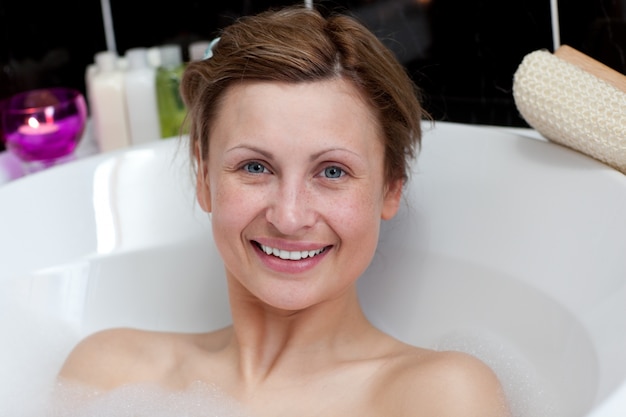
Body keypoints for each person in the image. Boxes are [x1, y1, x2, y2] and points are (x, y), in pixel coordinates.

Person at [57, 5, 511, 416]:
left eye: (332, 172)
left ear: (391, 188)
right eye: (255, 166)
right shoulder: (107, 375)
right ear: (203, 178)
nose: (289, 217)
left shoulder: (440, 397)